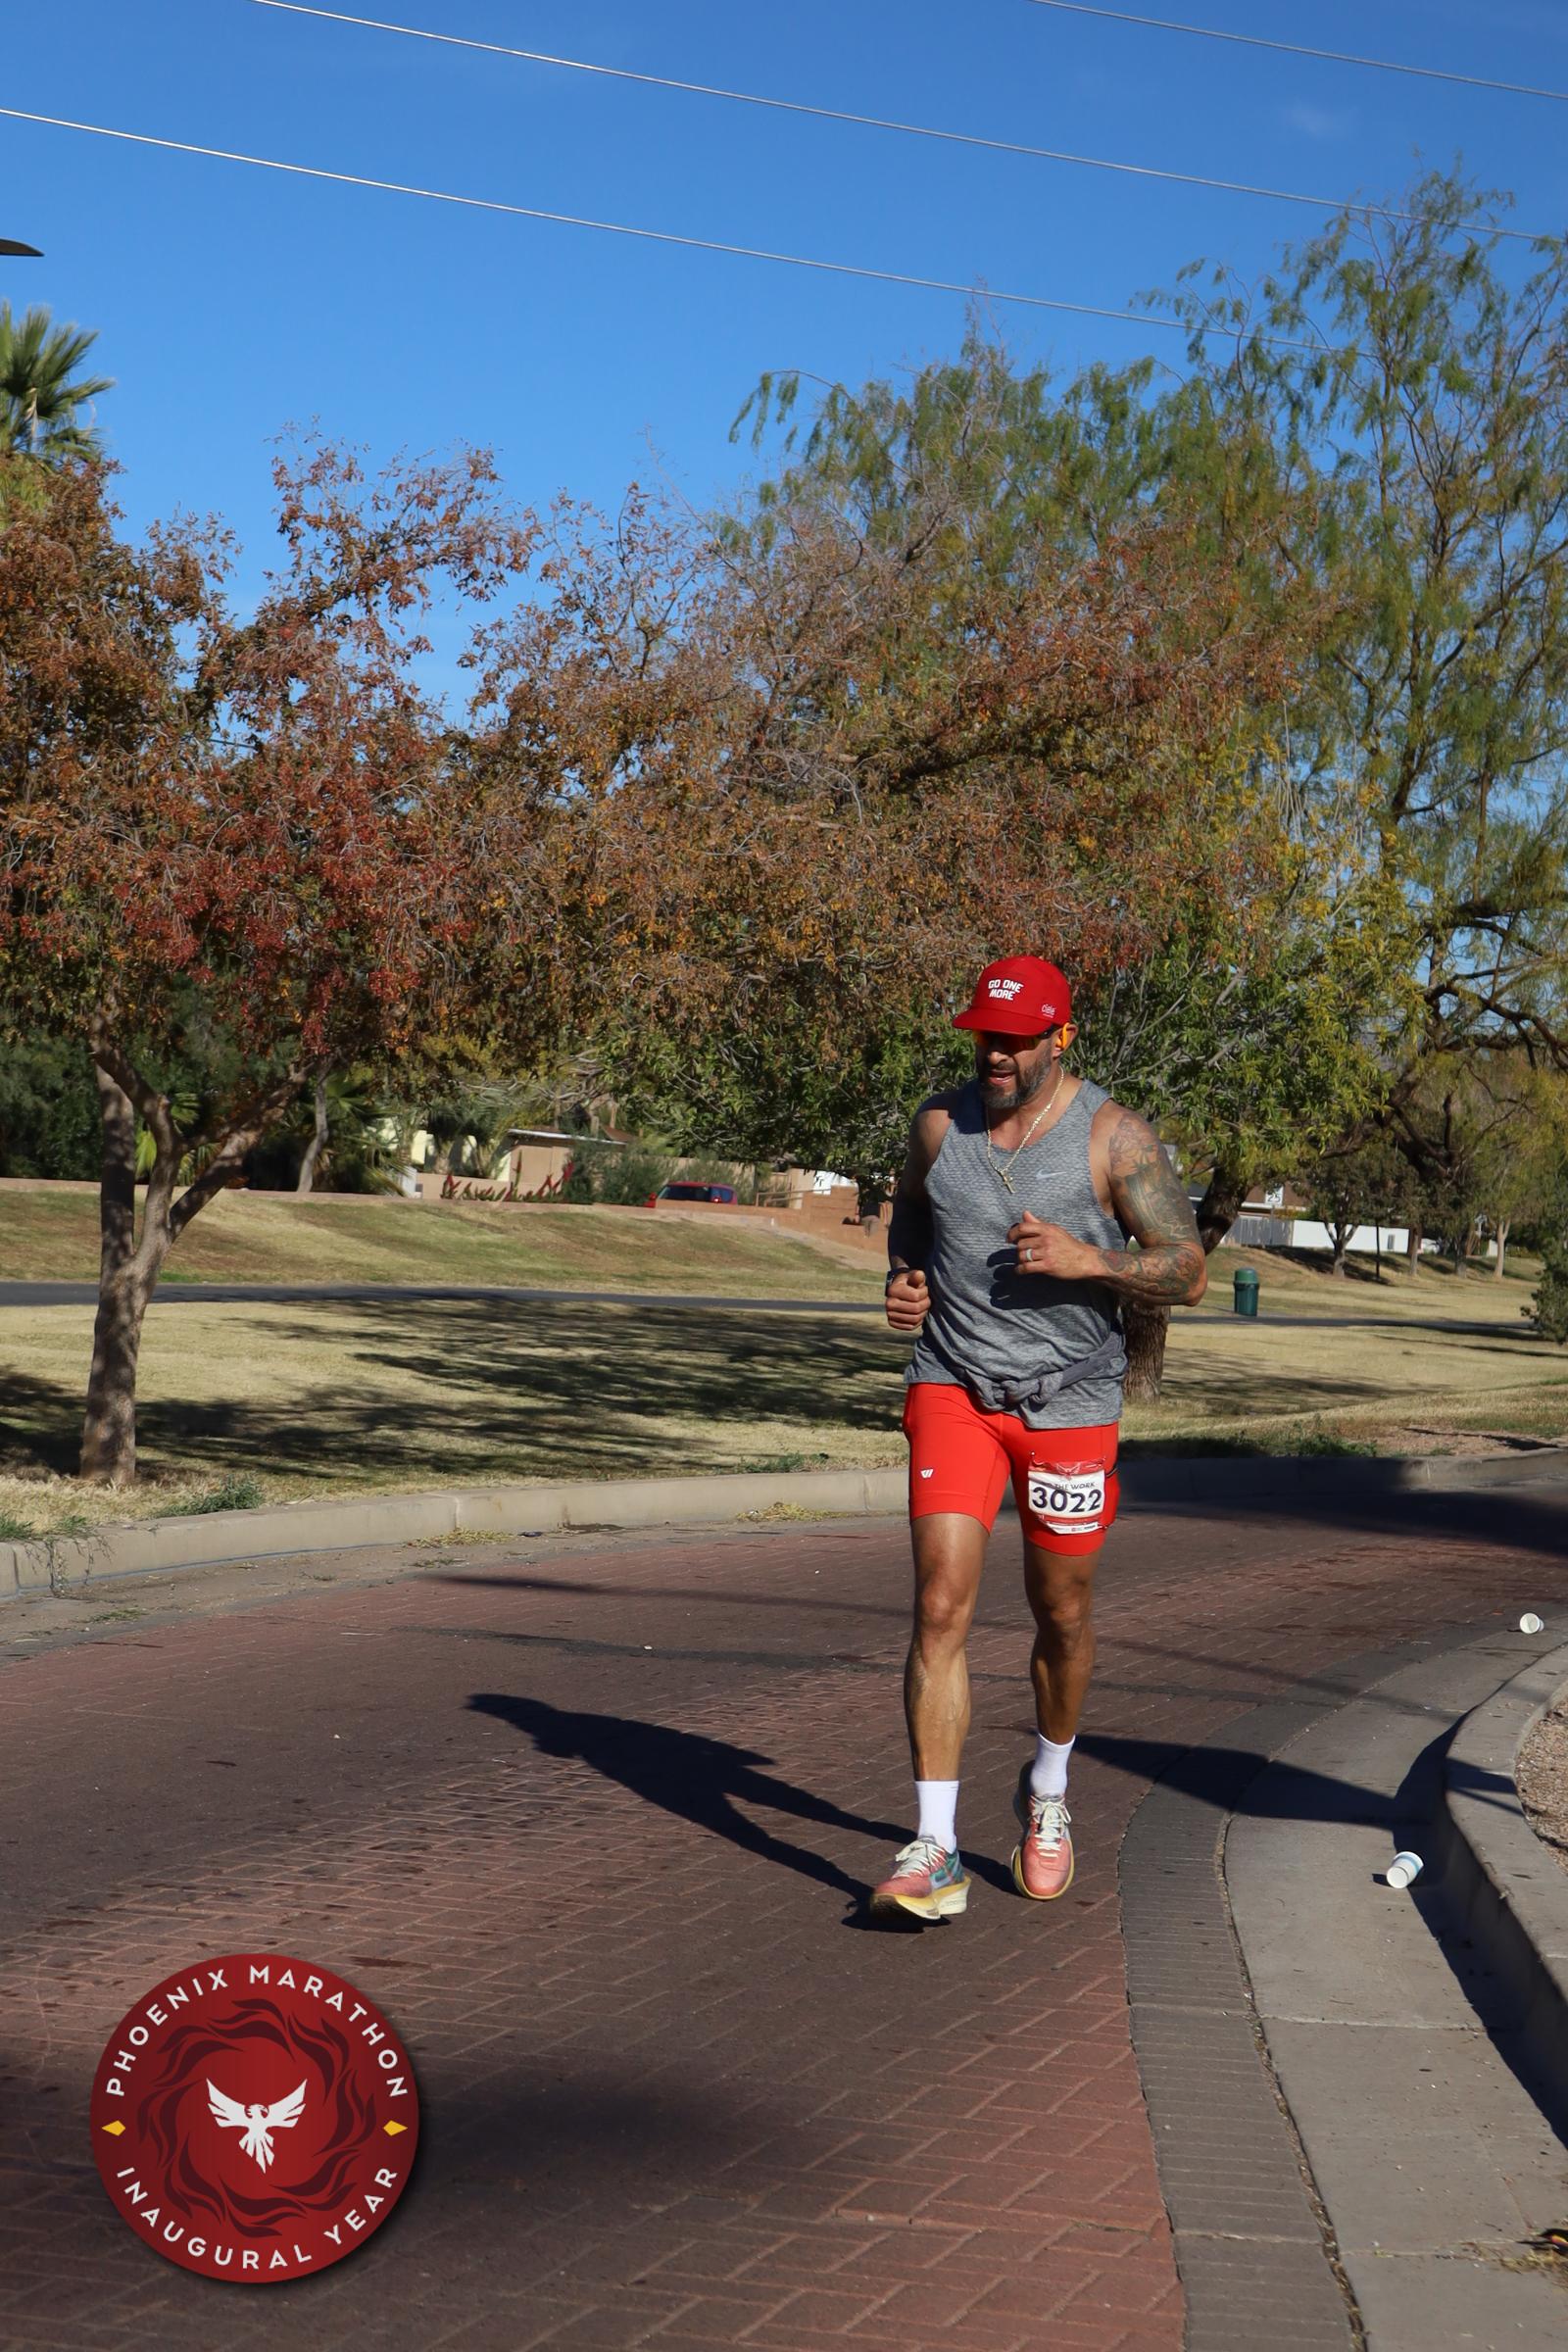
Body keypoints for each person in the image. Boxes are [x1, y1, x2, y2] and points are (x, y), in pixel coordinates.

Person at [873, 954, 1206, 1921]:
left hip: (1070, 1404)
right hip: (953, 1386)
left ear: (1061, 1039)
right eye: (987, 1035)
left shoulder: (1112, 1139)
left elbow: (1186, 1270)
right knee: (939, 1603)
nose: (996, 1054)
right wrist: (903, 1277)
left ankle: (1048, 1790)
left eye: (1017, 1040)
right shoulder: (939, 1126)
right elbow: (911, 1212)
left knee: (1060, 1611)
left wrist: (1087, 1260)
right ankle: (935, 1846)